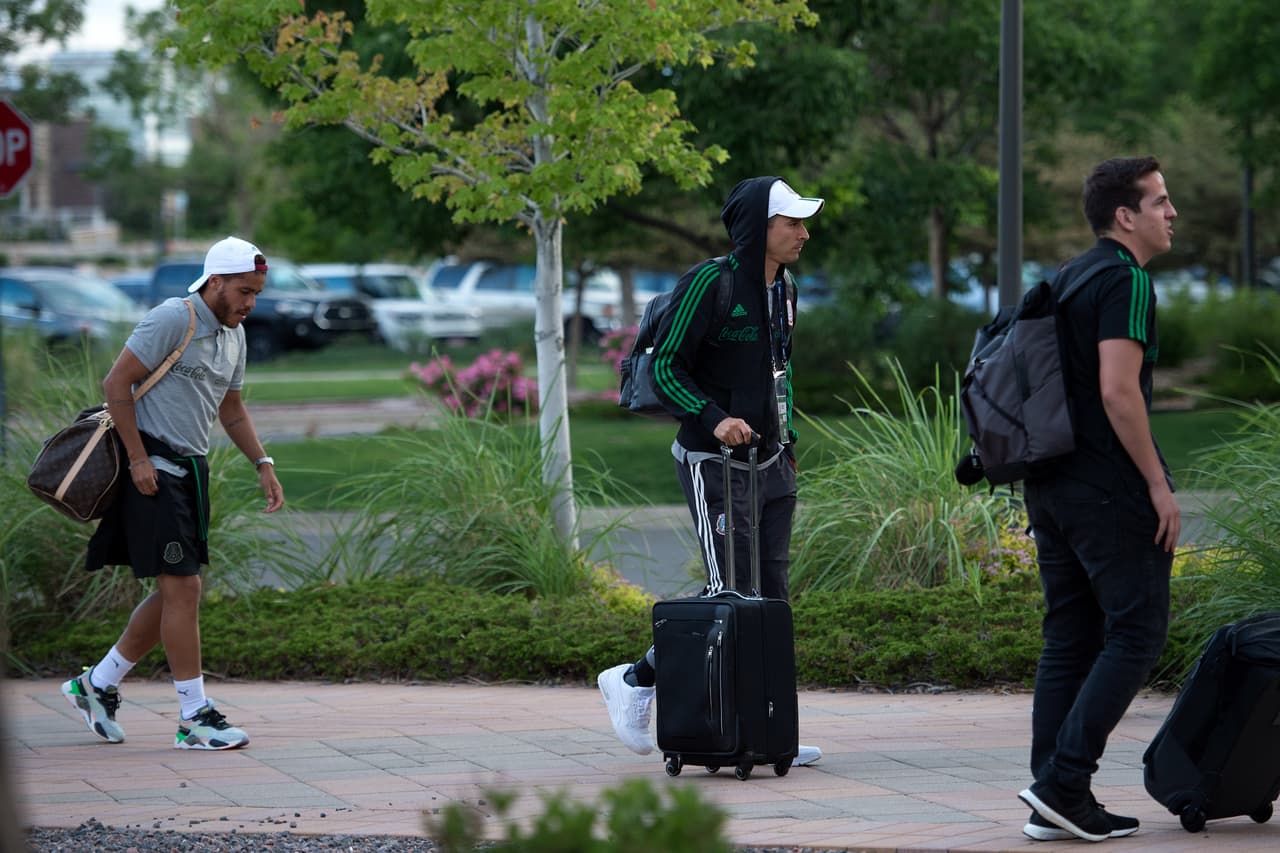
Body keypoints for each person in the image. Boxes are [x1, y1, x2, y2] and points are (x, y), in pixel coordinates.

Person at [597, 176, 823, 767]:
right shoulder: (710, 283)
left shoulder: (787, 290)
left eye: (803, 222)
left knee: (770, 596)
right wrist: (714, 418)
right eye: (791, 222)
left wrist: (787, 440)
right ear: (757, 227)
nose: (803, 232)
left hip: (773, 464)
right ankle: (637, 679)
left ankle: (772, 729)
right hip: (713, 462)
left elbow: (780, 375)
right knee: (732, 589)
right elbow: (665, 367)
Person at [61, 236, 285, 751]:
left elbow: (231, 411)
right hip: (153, 471)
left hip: (191, 473)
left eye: (256, 293)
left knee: (172, 593)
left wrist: (263, 463)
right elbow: (116, 383)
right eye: (245, 292)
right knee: (185, 590)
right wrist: (138, 459)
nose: (251, 303)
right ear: (217, 282)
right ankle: (193, 717)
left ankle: (95, 685)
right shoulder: (173, 317)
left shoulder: (236, 336)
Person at [1017, 156, 1181, 842]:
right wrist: (1156, 482)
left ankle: (1051, 799)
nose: (1171, 213)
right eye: (1160, 201)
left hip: (1049, 480)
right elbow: (1119, 390)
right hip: (1106, 486)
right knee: (1138, 631)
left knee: (1070, 637)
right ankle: (1063, 782)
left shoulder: (1068, 275)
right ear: (1126, 216)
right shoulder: (1125, 279)